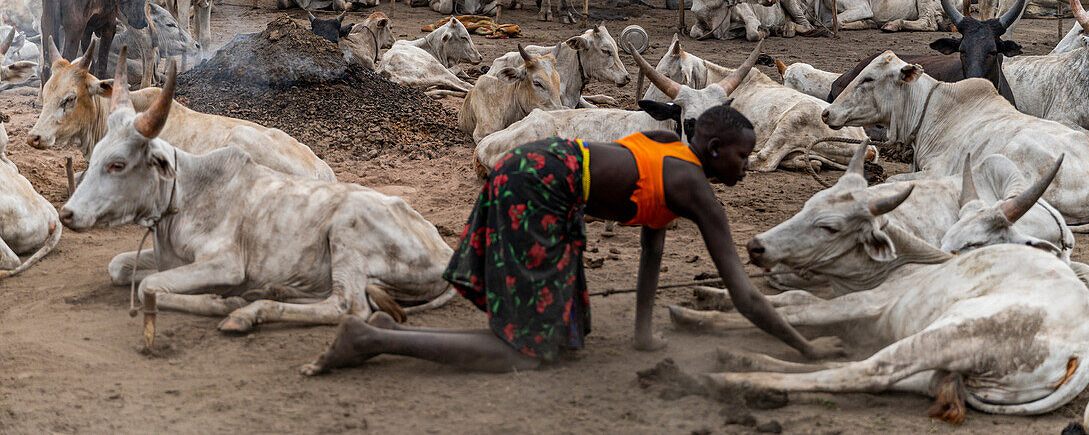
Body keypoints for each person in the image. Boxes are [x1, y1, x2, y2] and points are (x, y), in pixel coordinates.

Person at [301, 104, 844, 376]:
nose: (748, 169)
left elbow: (652, 246)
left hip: (545, 176)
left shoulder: (670, 151)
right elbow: (744, 294)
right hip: (540, 187)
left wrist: (643, 334)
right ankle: (371, 339)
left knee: (570, 334)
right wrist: (805, 346)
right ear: (717, 146)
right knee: (531, 353)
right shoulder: (695, 187)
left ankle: (384, 332)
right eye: (744, 157)